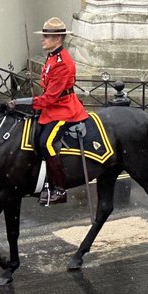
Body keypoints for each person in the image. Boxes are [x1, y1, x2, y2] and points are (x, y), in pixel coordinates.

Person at [31, 17, 88, 206]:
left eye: (46, 36)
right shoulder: (52, 57)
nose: (42, 39)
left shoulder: (63, 62)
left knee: (46, 143)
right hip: (52, 108)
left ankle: (60, 189)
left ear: (57, 39)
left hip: (64, 110)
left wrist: (29, 103)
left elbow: (51, 97)